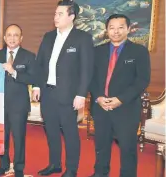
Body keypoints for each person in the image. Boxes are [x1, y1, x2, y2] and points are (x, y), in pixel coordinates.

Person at [31, 1, 94, 177]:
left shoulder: (82, 38)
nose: (55, 17)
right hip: (47, 93)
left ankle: (72, 169)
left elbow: (86, 69)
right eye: (55, 13)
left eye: (60, 14)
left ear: (71, 16)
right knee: (51, 131)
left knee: (70, 134)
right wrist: (37, 85)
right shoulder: (48, 36)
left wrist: (81, 94)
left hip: (68, 95)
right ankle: (54, 164)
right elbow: (40, 64)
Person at [89, 14, 150, 177]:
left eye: (121, 27)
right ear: (107, 30)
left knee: (127, 148)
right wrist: (98, 97)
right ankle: (100, 173)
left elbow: (142, 80)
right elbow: (91, 78)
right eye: (112, 28)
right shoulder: (97, 51)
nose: (116, 31)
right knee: (101, 146)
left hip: (126, 109)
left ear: (128, 29)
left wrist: (120, 99)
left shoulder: (139, 51)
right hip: (101, 107)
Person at [0, 24, 37, 177]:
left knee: (18, 138)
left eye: (15, 35)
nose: (12, 38)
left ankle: (18, 168)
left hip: (19, 104)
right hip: (0, 105)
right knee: (2, 138)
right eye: (9, 35)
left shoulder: (29, 56)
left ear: (21, 38)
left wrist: (14, 72)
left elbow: (33, 78)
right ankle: (3, 165)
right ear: (4, 38)